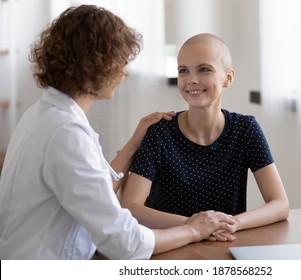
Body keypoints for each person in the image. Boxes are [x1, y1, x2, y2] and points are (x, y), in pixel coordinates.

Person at [0, 7, 236, 260]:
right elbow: (125, 243)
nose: (123, 73)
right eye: (120, 63)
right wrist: (193, 229)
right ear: (96, 65)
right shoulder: (65, 133)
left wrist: (133, 144)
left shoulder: (43, 114)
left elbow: (92, 188)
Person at [120, 33, 289, 240]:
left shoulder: (246, 129)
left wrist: (232, 223)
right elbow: (130, 207)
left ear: (228, 78)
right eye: (183, 71)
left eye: (204, 69)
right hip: (169, 245)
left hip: (224, 244)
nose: (191, 80)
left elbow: (280, 204)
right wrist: (194, 226)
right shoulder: (159, 132)